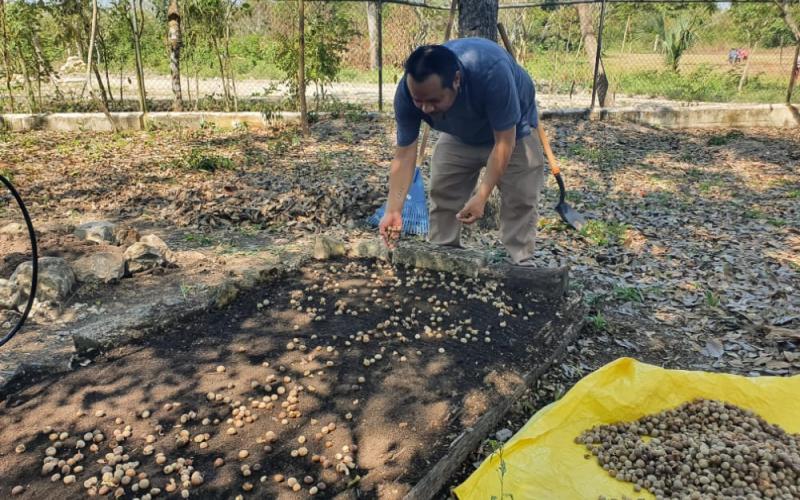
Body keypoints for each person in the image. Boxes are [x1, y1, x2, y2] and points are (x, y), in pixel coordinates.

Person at [379, 38, 544, 266]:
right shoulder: (406, 93)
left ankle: (521, 260)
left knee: (520, 196)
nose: (426, 109)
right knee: (444, 189)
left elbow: (505, 143)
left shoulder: (492, 73)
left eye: (434, 100)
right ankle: (442, 254)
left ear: (456, 80)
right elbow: (405, 154)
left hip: (511, 131)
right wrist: (394, 209)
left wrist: (482, 196)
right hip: (459, 133)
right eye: (419, 101)